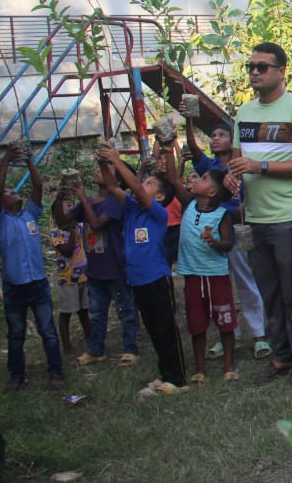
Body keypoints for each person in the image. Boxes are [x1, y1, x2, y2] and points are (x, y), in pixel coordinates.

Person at [224, 42, 292, 390]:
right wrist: (232, 174)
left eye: (262, 67)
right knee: (269, 290)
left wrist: (260, 166)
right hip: (255, 219)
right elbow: (237, 159)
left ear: (281, 71)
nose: (255, 72)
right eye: (251, 66)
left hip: (288, 216)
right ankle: (281, 355)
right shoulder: (244, 113)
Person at [98, 145, 187, 397]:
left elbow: (134, 188)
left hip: (156, 278)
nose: (142, 185)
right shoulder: (131, 209)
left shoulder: (157, 213)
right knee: (153, 328)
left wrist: (117, 159)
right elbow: (113, 187)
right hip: (137, 280)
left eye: (149, 184)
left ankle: (177, 379)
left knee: (166, 328)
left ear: (158, 197)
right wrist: (104, 164)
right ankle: (165, 374)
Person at [185, 121, 271, 361]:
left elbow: (252, 196)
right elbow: (194, 146)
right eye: (213, 134)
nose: (215, 138)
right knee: (218, 288)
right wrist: (190, 120)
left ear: (233, 141)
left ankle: (258, 334)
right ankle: (228, 333)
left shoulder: (241, 165)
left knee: (246, 281)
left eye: (222, 134)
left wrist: (240, 209)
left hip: (235, 233)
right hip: (212, 236)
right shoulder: (209, 167)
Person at [0, 144, 64, 391]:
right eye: (11, 191)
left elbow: (38, 187)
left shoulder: (29, 216)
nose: (14, 192)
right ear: (0, 203)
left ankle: (56, 371)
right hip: (15, 286)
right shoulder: (1, 221)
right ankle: (17, 375)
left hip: (38, 283)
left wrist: (30, 161)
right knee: (16, 333)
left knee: (47, 331)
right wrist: (6, 161)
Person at [60, 160, 139, 367]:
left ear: (116, 180)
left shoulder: (115, 202)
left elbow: (95, 225)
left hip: (116, 269)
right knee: (97, 313)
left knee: (125, 312)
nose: (98, 171)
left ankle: (130, 349)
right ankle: (96, 350)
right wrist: (62, 194)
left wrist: (82, 197)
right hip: (95, 271)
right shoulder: (90, 201)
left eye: (106, 169)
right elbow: (63, 220)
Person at [171, 167, 238, 384]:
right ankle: (200, 369)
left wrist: (215, 243)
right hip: (192, 275)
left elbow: (229, 244)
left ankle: (229, 366)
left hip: (216, 276)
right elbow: (173, 178)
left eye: (204, 178)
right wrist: (167, 146)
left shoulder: (222, 215)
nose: (197, 179)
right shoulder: (188, 204)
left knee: (225, 321)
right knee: (196, 323)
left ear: (211, 193)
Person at [50, 196, 90, 355]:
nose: (71, 209)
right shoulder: (56, 233)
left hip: (84, 276)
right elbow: (67, 251)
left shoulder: (80, 226)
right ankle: (67, 345)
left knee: (84, 311)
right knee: (66, 313)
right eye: (66, 207)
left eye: (72, 206)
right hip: (67, 279)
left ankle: (90, 336)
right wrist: (72, 231)